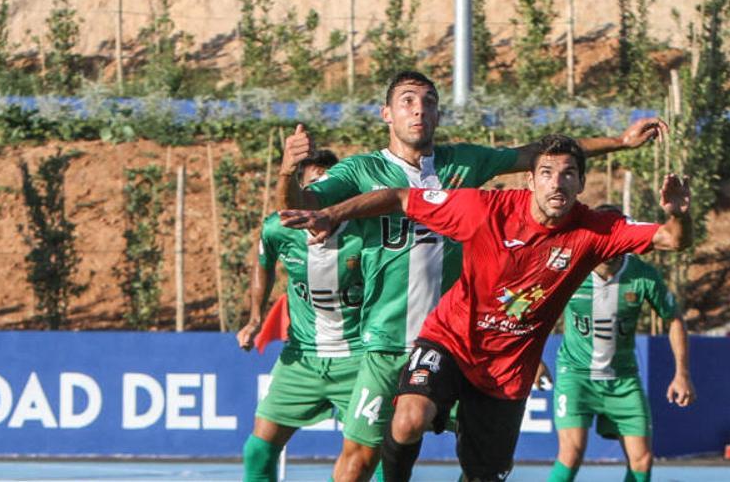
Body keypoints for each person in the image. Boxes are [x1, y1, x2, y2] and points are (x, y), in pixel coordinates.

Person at [277, 71, 667, 481]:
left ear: (439, 114)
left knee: (482, 469)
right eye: (407, 101)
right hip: (388, 340)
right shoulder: (362, 171)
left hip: (469, 344)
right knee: (359, 459)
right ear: (386, 114)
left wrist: (619, 142)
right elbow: (303, 207)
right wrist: (288, 172)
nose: (419, 110)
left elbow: (538, 155)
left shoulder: (464, 163)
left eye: (428, 101)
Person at [237, 150, 371, 482]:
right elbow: (264, 262)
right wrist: (255, 317)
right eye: (313, 186)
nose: (319, 196)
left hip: (360, 360)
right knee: (257, 449)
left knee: (371, 459)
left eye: (330, 187)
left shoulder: (368, 232)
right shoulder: (279, 229)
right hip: (302, 358)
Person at [540, 206, 696, 482]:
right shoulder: (568, 268)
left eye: (620, 237)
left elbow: (674, 319)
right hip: (576, 376)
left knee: (643, 460)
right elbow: (536, 312)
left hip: (623, 379)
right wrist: (535, 361)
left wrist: (682, 374)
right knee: (571, 453)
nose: (614, 246)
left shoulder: (643, 275)